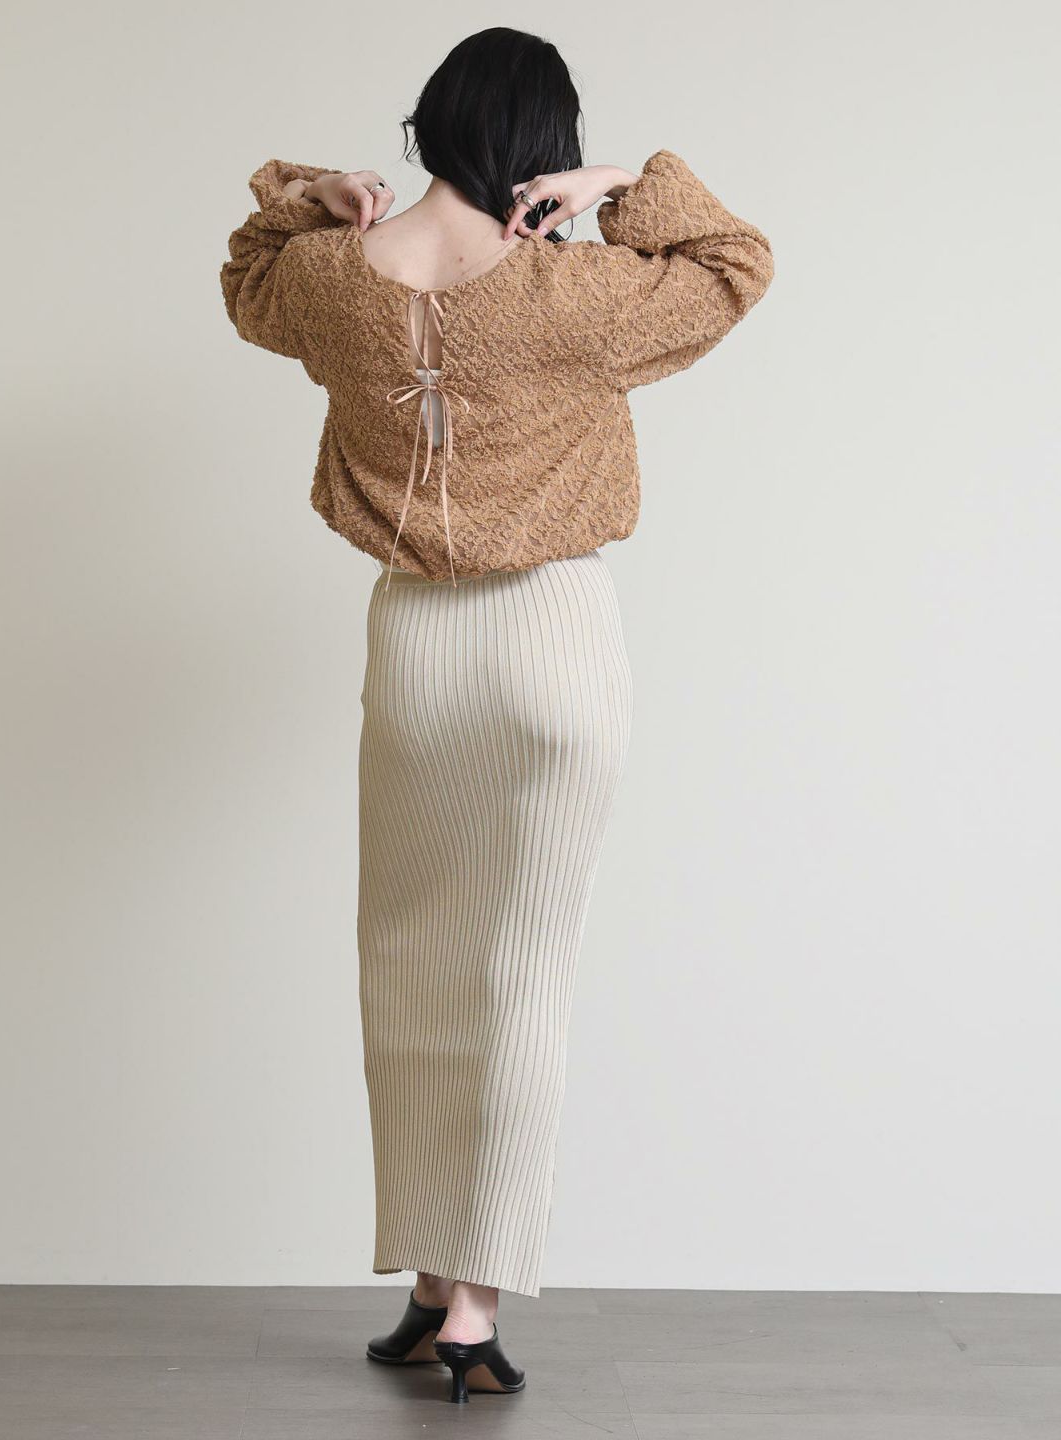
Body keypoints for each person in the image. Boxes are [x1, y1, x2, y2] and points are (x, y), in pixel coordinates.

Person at [219, 24, 773, 1406]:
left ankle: (427, 1284)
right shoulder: (572, 295)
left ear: (428, 128)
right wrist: (621, 185)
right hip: (555, 642)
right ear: (537, 144)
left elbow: (245, 281)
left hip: (417, 643)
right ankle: (470, 1305)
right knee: (523, 972)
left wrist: (312, 194)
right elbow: (735, 266)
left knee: (409, 961)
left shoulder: (332, 279)